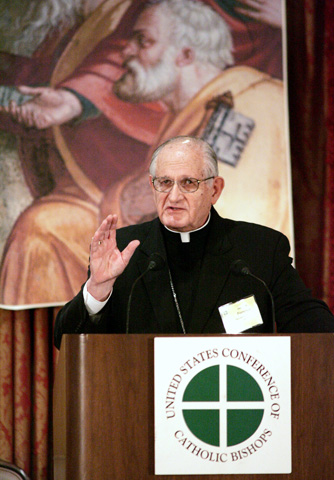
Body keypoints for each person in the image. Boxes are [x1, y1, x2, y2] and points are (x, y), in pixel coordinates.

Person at [1, 0, 287, 306]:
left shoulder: (241, 105)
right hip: (183, 284)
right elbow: (140, 205)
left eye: (143, 42)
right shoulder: (185, 117)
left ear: (185, 54)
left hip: (229, 305)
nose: (125, 54)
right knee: (44, 230)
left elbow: (225, 226)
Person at [54, 136, 334, 349]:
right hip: (140, 408)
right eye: (164, 182)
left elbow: (310, 322)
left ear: (215, 189)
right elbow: (63, 339)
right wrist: (98, 288)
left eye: (188, 183)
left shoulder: (259, 248)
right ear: (152, 186)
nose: (173, 196)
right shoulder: (124, 248)